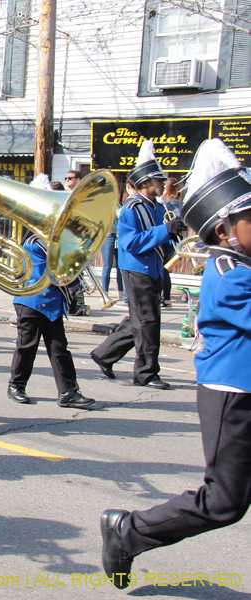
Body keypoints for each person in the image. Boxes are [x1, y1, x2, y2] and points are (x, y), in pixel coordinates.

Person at [100, 138, 251, 589]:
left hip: (151, 273)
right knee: (223, 502)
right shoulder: (229, 276)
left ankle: (142, 366)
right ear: (224, 229)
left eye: (157, 183)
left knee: (144, 327)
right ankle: (130, 529)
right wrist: (167, 230)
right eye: (149, 183)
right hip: (234, 394)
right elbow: (132, 241)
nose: (154, 188)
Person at [90, 141, 184, 389]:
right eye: (158, 181)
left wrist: (173, 232)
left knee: (138, 320)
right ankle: (145, 372)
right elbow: (131, 242)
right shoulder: (132, 208)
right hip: (136, 269)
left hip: (153, 268)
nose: (163, 184)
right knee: (148, 322)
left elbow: (159, 235)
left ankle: (104, 354)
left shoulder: (158, 206)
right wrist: (165, 230)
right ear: (146, 183)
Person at [7, 234, 95, 408]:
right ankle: (16, 386)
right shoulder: (34, 243)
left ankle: (68, 392)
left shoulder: (59, 242)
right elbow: (51, 275)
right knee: (27, 347)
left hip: (52, 303)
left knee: (59, 349)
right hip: (33, 301)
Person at [159, 176, 182, 309]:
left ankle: (166, 298)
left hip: (168, 239)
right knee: (164, 269)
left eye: (164, 186)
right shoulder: (172, 201)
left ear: (169, 189)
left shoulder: (172, 202)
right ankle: (165, 297)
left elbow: (177, 218)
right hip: (168, 237)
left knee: (164, 269)